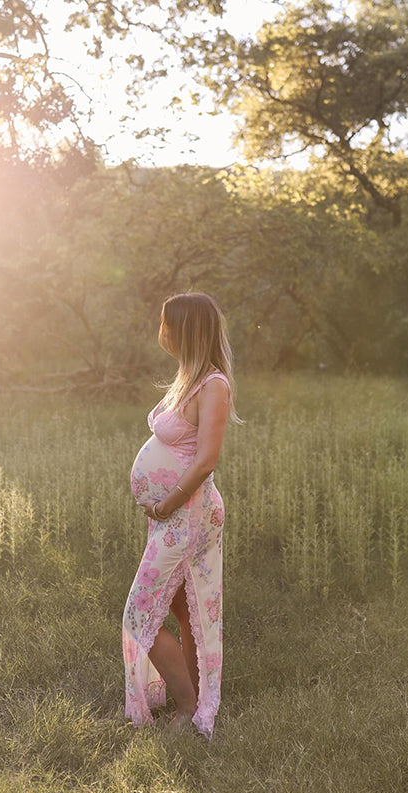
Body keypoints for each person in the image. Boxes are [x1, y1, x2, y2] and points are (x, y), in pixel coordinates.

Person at [123, 292, 239, 740]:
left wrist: (168, 503)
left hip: (187, 517)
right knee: (181, 608)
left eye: (167, 323)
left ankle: (188, 710)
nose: (161, 331)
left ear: (186, 329)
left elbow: (206, 459)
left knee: (139, 616)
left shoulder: (213, 385)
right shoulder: (187, 378)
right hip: (171, 518)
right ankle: (187, 695)